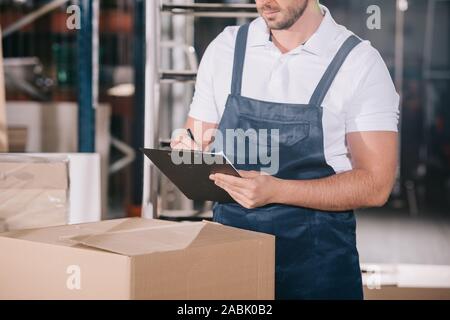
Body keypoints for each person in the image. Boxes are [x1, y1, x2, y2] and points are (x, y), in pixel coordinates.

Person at [171, 0, 399, 300]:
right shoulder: (225, 49)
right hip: (231, 256)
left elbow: (376, 184)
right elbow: (197, 136)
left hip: (318, 266)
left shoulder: (359, 63)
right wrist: (186, 148)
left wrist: (276, 191)